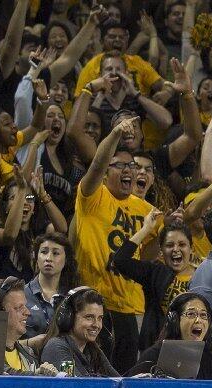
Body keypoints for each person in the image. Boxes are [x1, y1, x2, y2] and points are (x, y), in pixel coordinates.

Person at [73, 115, 153, 373]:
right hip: (95, 302)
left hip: (131, 307)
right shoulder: (93, 195)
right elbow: (96, 164)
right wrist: (117, 133)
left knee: (127, 376)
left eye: (132, 166)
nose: (129, 170)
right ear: (107, 171)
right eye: (121, 166)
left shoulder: (147, 209)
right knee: (93, 373)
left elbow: (149, 257)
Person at [112, 209, 196, 352]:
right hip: (155, 350)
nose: (176, 249)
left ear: (191, 249)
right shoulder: (154, 273)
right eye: (169, 245)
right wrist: (146, 229)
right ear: (161, 250)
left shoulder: (202, 275)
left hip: (191, 349)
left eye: (182, 244)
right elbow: (120, 260)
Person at [129, 292, 212, 379]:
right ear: (175, 320)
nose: (198, 320)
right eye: (191, 314)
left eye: (203, 315)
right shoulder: (155, 355)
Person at [39, 286, 119, 377]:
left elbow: (117, 380)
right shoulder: (57, 346)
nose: (96, 325)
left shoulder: (92, 350)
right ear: (70, 317)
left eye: (100, 318)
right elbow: (76, 386)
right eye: (89, 317)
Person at [0, 276, 55, 375]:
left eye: (25, 306)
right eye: (19, 308)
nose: (28, 312)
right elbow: (2, 375)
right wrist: (36, 376)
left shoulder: (29, 354)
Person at [24, 233, 78, 339]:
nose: (48, 258)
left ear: (66, 260)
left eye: (56, 253)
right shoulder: (22, 294)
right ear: (36, 256)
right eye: (44, 252)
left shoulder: (73, 298)